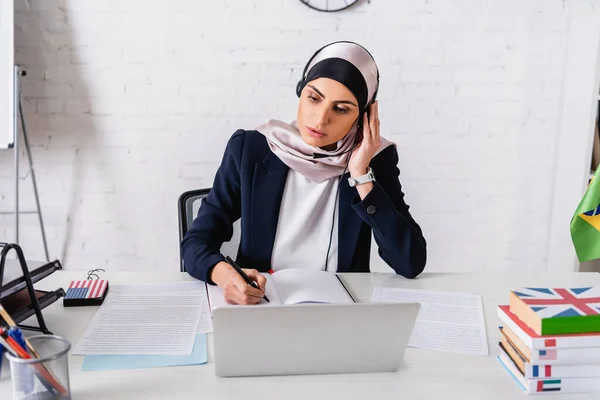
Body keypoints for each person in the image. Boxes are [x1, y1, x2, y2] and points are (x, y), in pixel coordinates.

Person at [181, 41, 427, 305]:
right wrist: (224, 274)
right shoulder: (250, 150)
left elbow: (410, 262)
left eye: (341, 109)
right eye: (314, 98)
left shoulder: (374, 161)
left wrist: (362, 176)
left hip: (340, 314)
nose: (321, 119)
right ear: (300, 92)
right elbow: (195, 243)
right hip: (261, 305)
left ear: (363, 117)